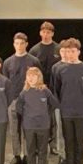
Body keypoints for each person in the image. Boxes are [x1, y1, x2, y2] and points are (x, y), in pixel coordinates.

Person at [52, 38, 83, 164]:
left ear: (78, 52)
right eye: (68, 51)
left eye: (73, 51)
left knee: (80, 142)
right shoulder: (60, 69)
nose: (70, 54)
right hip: (66, 112)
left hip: (81, 111)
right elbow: (56, 90)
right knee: (68, 141)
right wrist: (61, 107)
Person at [3, 33, 41, 164]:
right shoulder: (8, 62)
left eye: (22, 43)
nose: (19, 46)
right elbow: (6, 82)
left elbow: (39, 80)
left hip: (29, 100)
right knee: (14, 129)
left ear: (26, 44)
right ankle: (16, 155)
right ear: (14, 44)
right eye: (17, 43)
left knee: (28, 129)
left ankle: (28, 155)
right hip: (13, 100)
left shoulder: (34, 61)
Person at [16, 67, 59, 164]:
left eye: (33, 75)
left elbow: (54, 104)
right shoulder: (24, 93)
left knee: (42, 151)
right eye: (28, 76)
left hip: (43, 126)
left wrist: (45, 114)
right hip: (29, 126)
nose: (30, 78)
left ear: (38, 77)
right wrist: (28, 116)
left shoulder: (45, 91)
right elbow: (19, 108)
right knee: (30, 151)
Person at [29, 22, 62, 155]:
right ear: (40, 33)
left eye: (48, 32)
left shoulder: (58, 48)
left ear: (52, 34)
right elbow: (31, 72)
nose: (46, 34)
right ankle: (39, 145)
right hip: (38, 90)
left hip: (54, 89)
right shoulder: (34, 50)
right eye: (44, 32)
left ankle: (53, 145)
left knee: (53, 118)